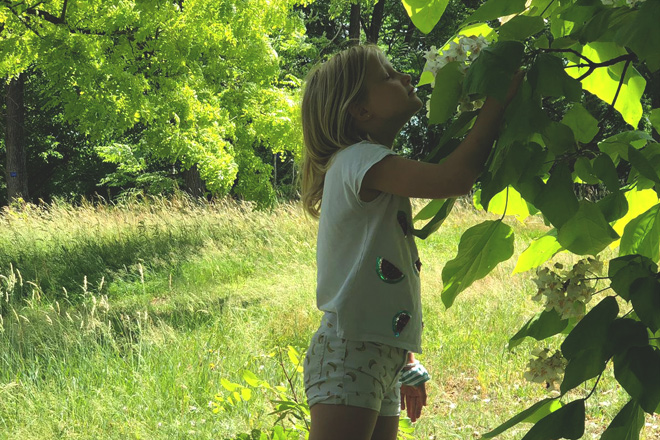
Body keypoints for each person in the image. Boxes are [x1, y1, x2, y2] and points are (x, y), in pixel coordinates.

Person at [300, 44, 522, 440]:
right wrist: (497, 104)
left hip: (372, 351)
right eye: (386, 75)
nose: (404, 76)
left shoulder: (370, 162)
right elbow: (452, 179)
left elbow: (381, 272)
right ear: (360, 111)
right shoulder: (358, 160)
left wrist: (404, 358)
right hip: (350, 351)